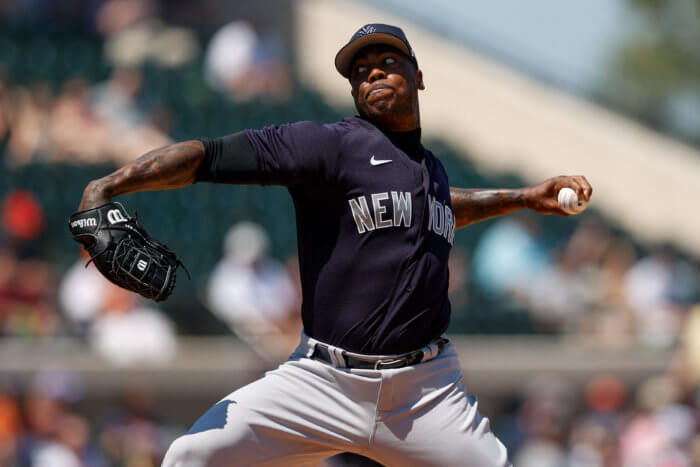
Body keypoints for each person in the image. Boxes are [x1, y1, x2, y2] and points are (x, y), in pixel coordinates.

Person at [76, 23, 592, 467]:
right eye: (360, 70)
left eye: (387, 61)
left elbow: (441, 206)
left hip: (426, 393)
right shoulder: (329, 146)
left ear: (418, 78)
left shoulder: (428, 169)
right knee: (191, 457)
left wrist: (524, 197)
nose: (372, 72)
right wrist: (109, 187)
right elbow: (207, 157)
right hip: (323, 382)